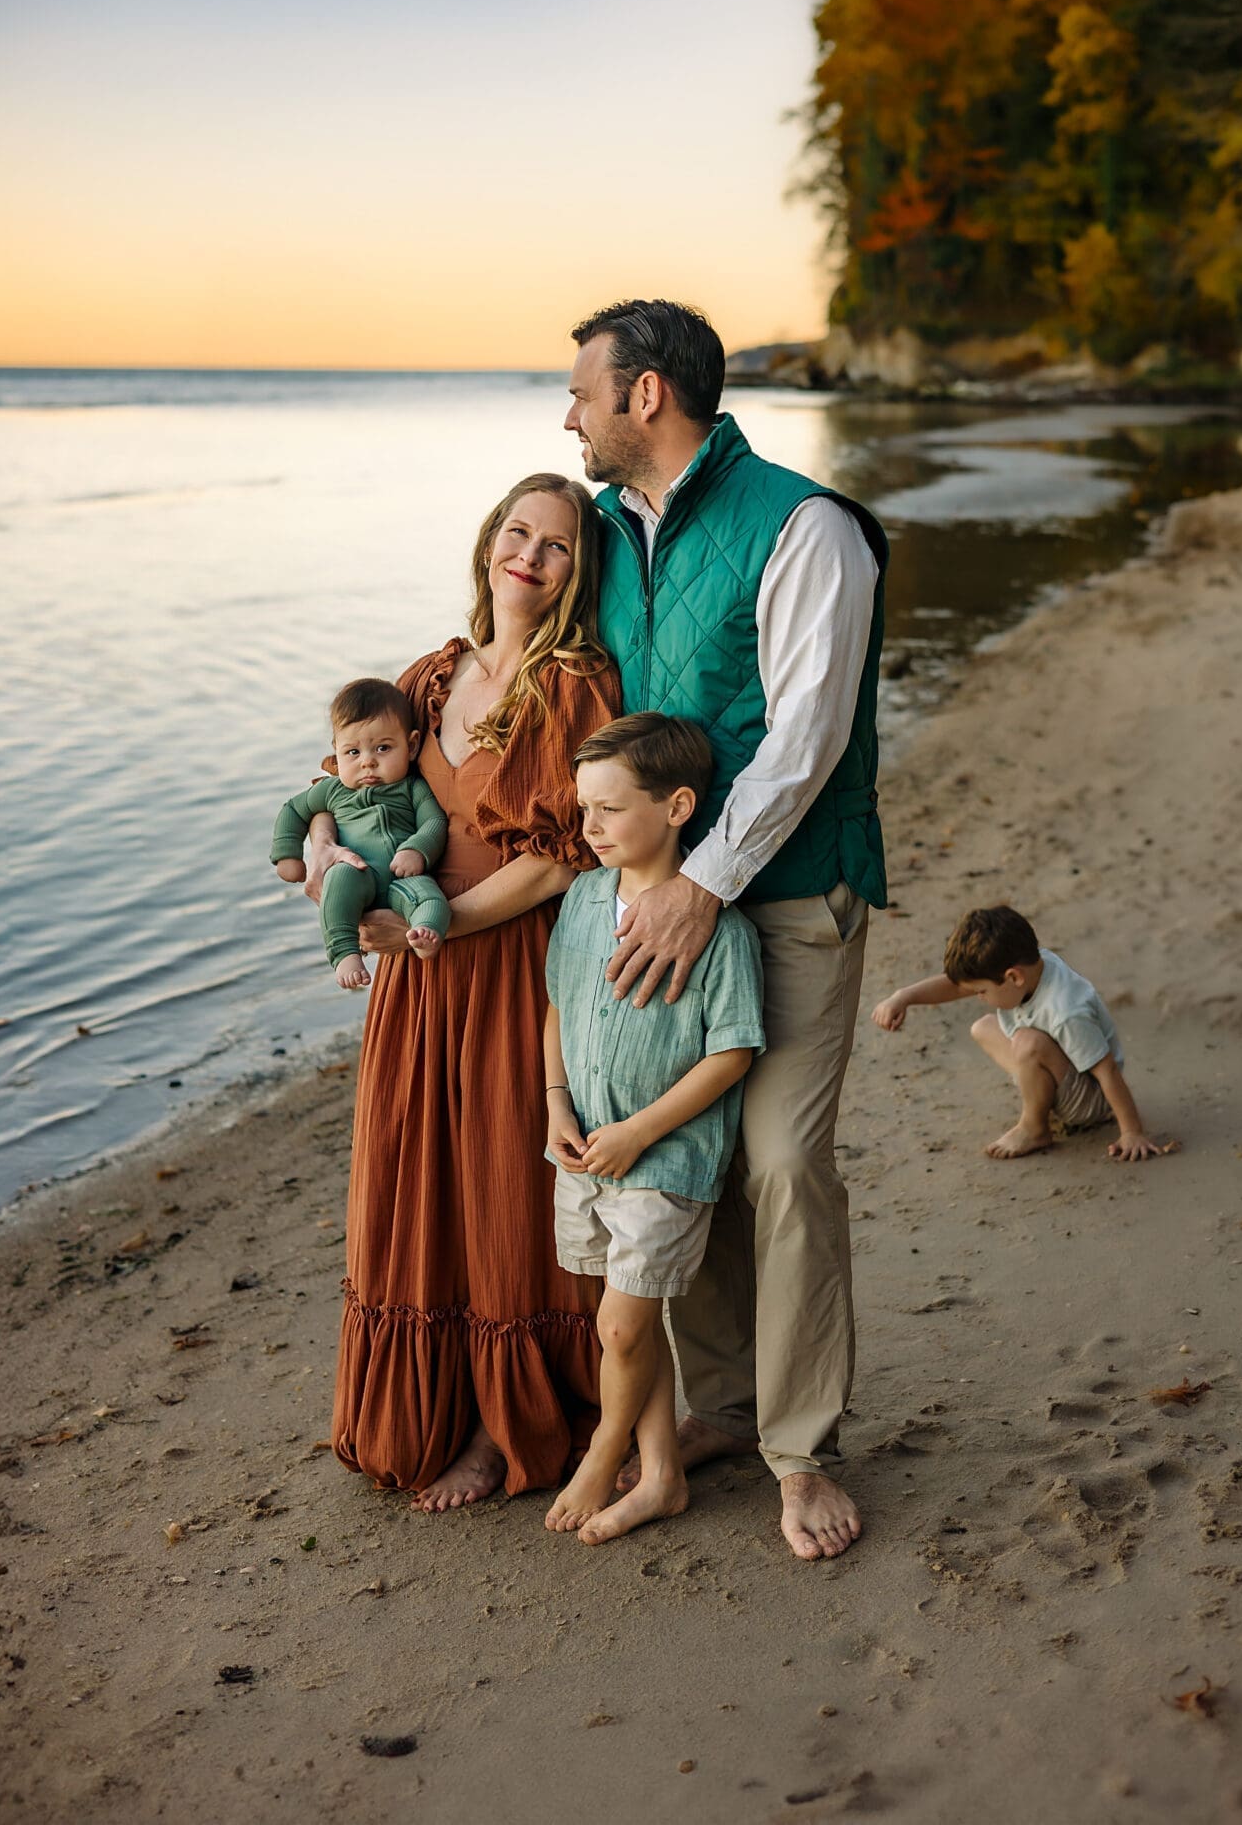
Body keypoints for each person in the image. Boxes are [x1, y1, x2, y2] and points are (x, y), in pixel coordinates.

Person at [565, 299, 888, 1561]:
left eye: (585, 391)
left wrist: (701, 880)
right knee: (680, 1154)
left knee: (783, 1162)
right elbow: (529, 652)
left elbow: (807, 738)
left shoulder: (809, 528)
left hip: (793, 890)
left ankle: (803, 1451)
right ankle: (729, 1404)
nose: (572, 415)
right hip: (663, 893)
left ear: (647, 395)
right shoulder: (601, 530)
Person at [303, 474, 620, 1509]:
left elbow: (564, 859)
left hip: (508, 965)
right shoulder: (429, 679)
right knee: (415, 1177)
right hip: (414, 980)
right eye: (518, 532)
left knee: (498, 1188)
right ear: (490, 544)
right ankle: (431, 1407)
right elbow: (351, 787)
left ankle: (498, 1423)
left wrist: (436, 929)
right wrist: (318, 858)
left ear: (577, 572)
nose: (530, 553)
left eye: (558, 544)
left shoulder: (577, 683)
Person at [541, 713, 765, 1545]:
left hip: (665, 1157)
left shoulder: (721, 930)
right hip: (583, 1150)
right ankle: (663, 1474)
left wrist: (639, 1131)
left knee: (620, 1327)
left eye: (608, 809)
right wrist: (556, 1102)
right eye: (582, 807)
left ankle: (605, 1453)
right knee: (631, 1326)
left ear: (677, 806)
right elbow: (559, 1005)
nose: (588, 826)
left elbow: (733, 1051)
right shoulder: (581, 900)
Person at [872, 904, 1163, 1163]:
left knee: (1028, 1042)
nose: (977, 997)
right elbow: (958, 985)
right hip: (1060, 1067)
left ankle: (1034, 1129)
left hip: (1089, 1100)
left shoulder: (1066, 1012)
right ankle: (1038, 1089)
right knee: (983, 1027)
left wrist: (1132, 1131)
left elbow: (1107, 1070)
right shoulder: (1033, 964)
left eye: (982, 991)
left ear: (1013, 976)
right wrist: (903, 997)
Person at [271, 677, 450, 990]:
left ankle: (426, 934)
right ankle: (344, 952)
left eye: (383, 748)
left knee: (430, 897)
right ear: (336, 753)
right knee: (339, 881)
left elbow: (434, 821)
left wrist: (417, 849)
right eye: (352, 752)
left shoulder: (412, 788)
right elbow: (293, 810)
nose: (368, 761)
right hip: (359, 873)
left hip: (404, 880)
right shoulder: (333, 791)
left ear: (410, 746)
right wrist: (288, 855)